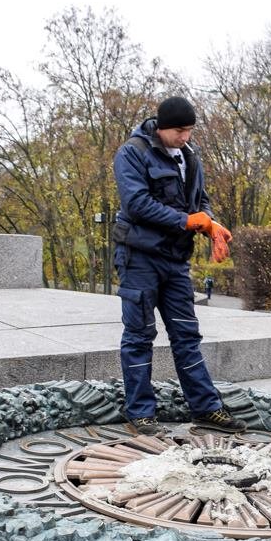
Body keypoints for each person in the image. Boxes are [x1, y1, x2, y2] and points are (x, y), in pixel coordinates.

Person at [111, 95, 244, 435]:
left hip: (176, 262)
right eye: (180, 131)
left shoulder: (190, 157)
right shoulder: (132, 152)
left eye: (190, 131)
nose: (186, 137)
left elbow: (201, 201)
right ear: (163, 127)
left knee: (187, 336)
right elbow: (137, 204)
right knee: (139, 335)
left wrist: (211, 226)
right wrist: (188, 222)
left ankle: (205, 408)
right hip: (139, 258)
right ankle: (140, 412)